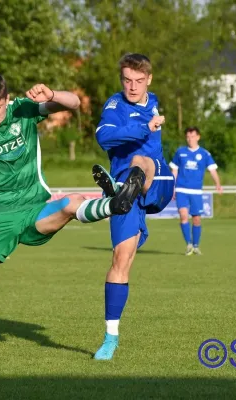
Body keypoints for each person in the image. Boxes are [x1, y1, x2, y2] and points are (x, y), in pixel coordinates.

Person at [0, 71, 144, 359]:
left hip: (34, 210)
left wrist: (52, 95)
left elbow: (74, 103)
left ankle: (114, 204)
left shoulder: (23, 109)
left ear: (7, 99)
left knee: (70, 203)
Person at [91, 53, 175, 360]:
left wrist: (147, 127)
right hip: (129, 192)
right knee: (120, 260)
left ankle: (122, 189)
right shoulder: (115, 105)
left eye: (139, 81)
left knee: (140, 162)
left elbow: (142, 141)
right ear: (121, 79)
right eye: (127, 80)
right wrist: (143, 127)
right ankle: (110, 338)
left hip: (159, 179)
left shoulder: (152, 101)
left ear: (149, 80)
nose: (132, 86)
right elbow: (104, 137)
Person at [169, 127, 223, 255]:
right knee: (183, 215)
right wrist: (172, 187)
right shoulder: (180, 152)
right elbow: (174, 170)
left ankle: (196, 245)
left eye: (192, 136)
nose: (190, 139)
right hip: (181, 188)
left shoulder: (204, 154)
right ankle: (188, 244)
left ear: (198, 137)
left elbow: (213, 170)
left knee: (197, 219)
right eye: (188, 137)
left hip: (196, 191)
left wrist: (218, 184)